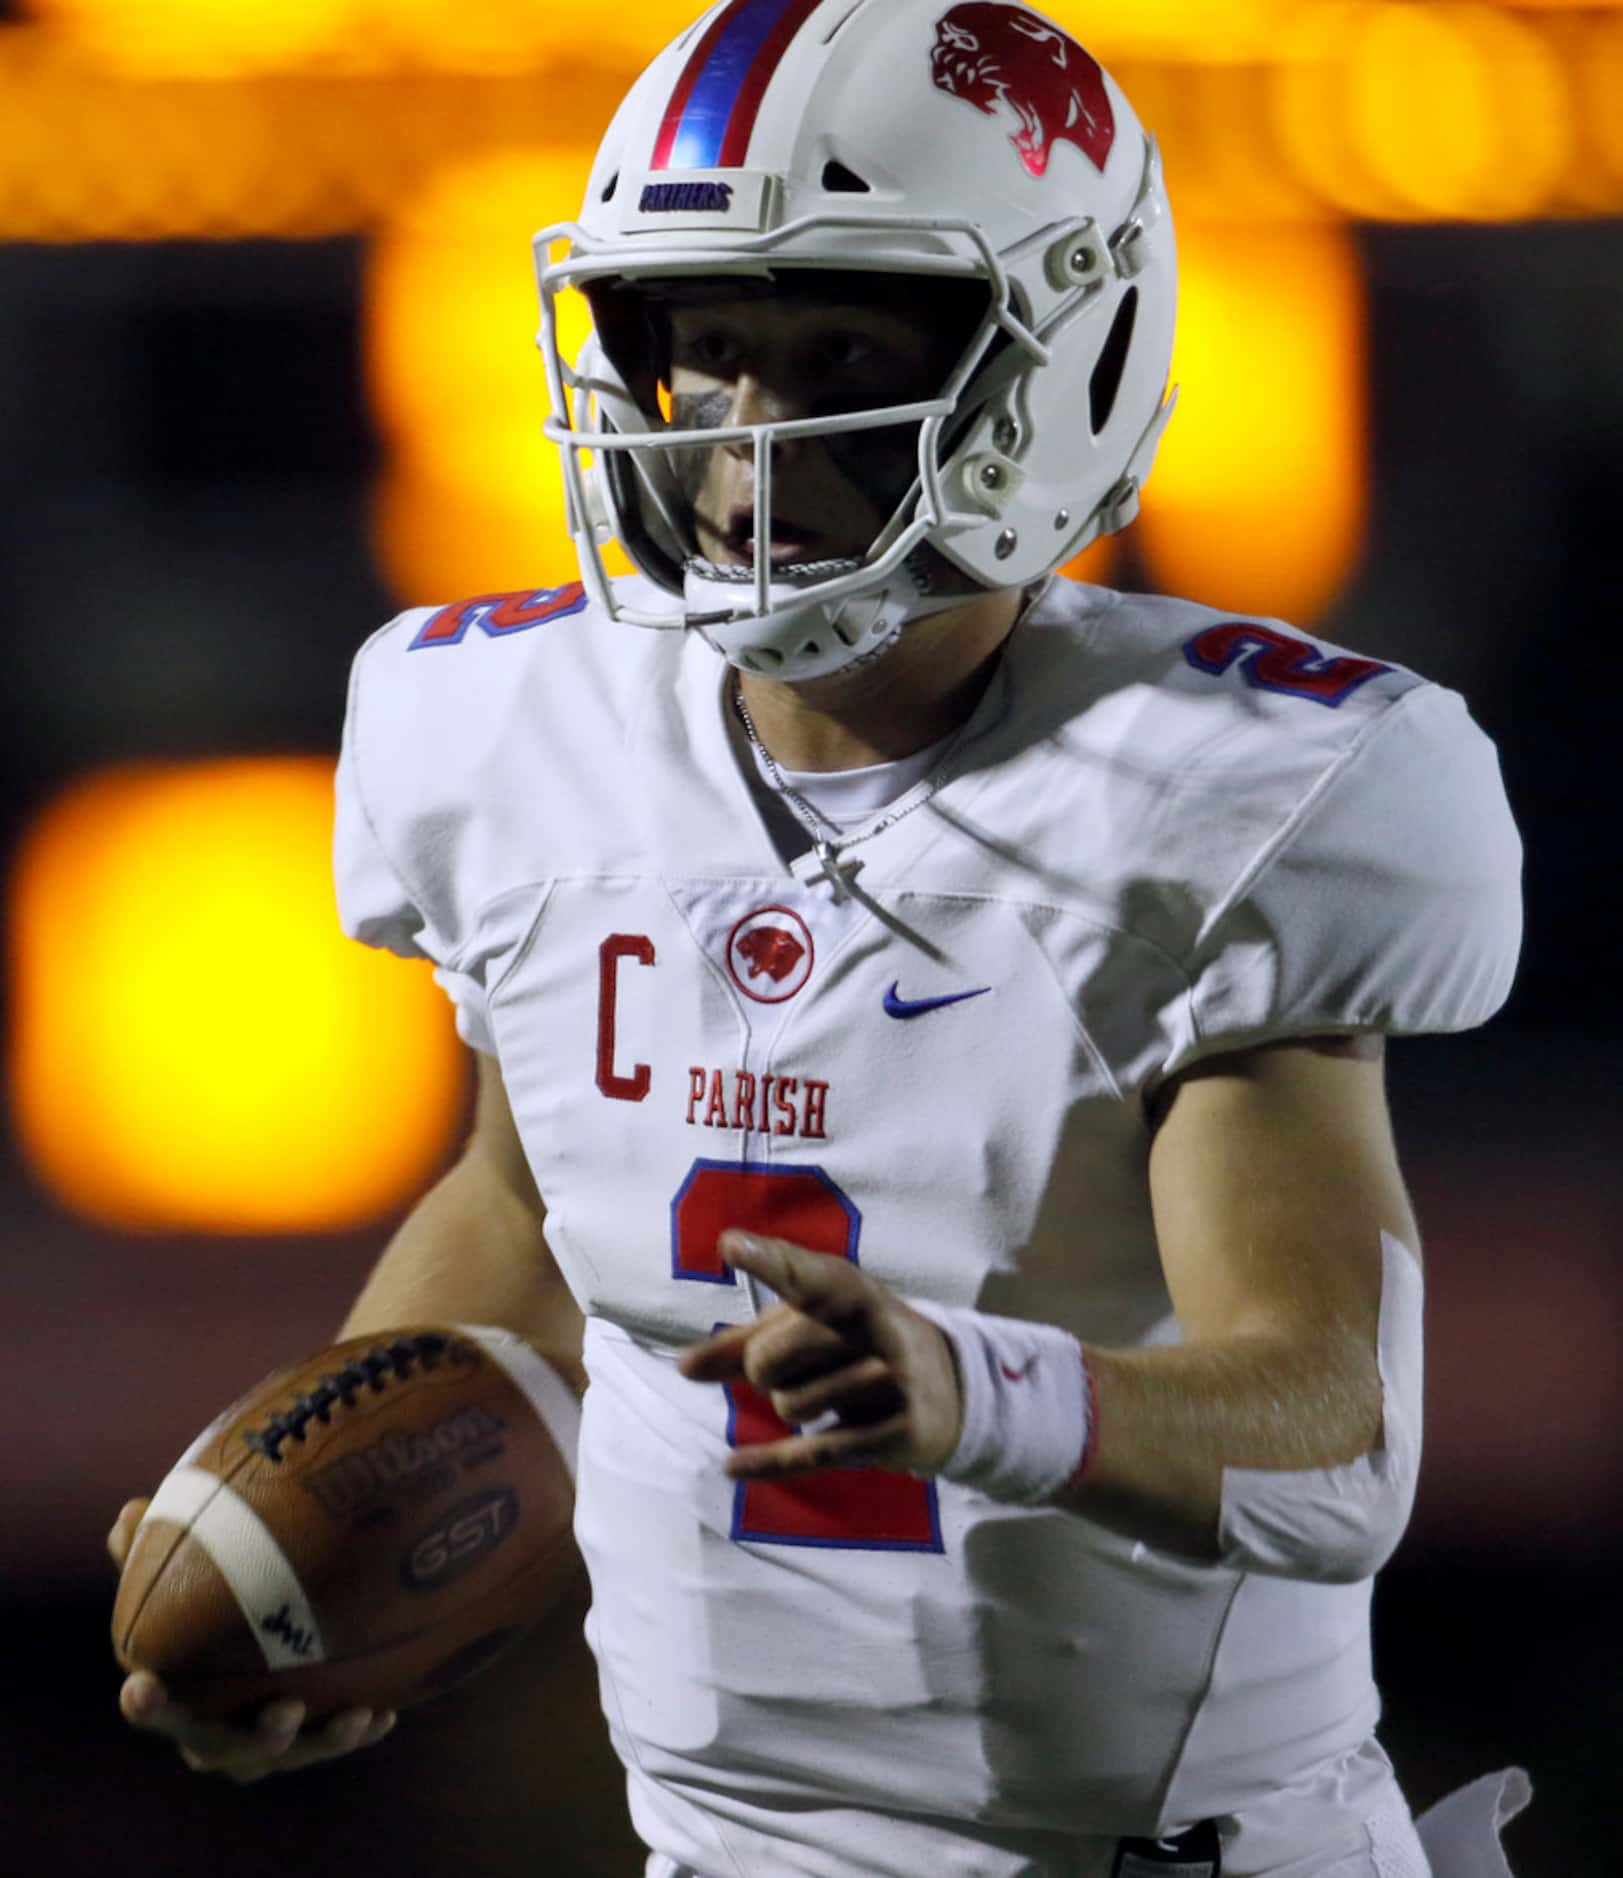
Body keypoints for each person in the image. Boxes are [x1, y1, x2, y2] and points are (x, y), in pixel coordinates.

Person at [112, 3, 1533, 1872]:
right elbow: (530, 1207)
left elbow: (1333, 1440)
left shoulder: (1234, 791)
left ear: (1064, 361)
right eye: (706, 351)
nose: (744, 442)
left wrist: (976, 1390)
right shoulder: (498, 740)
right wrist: (334, 1519)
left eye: (844, 350)